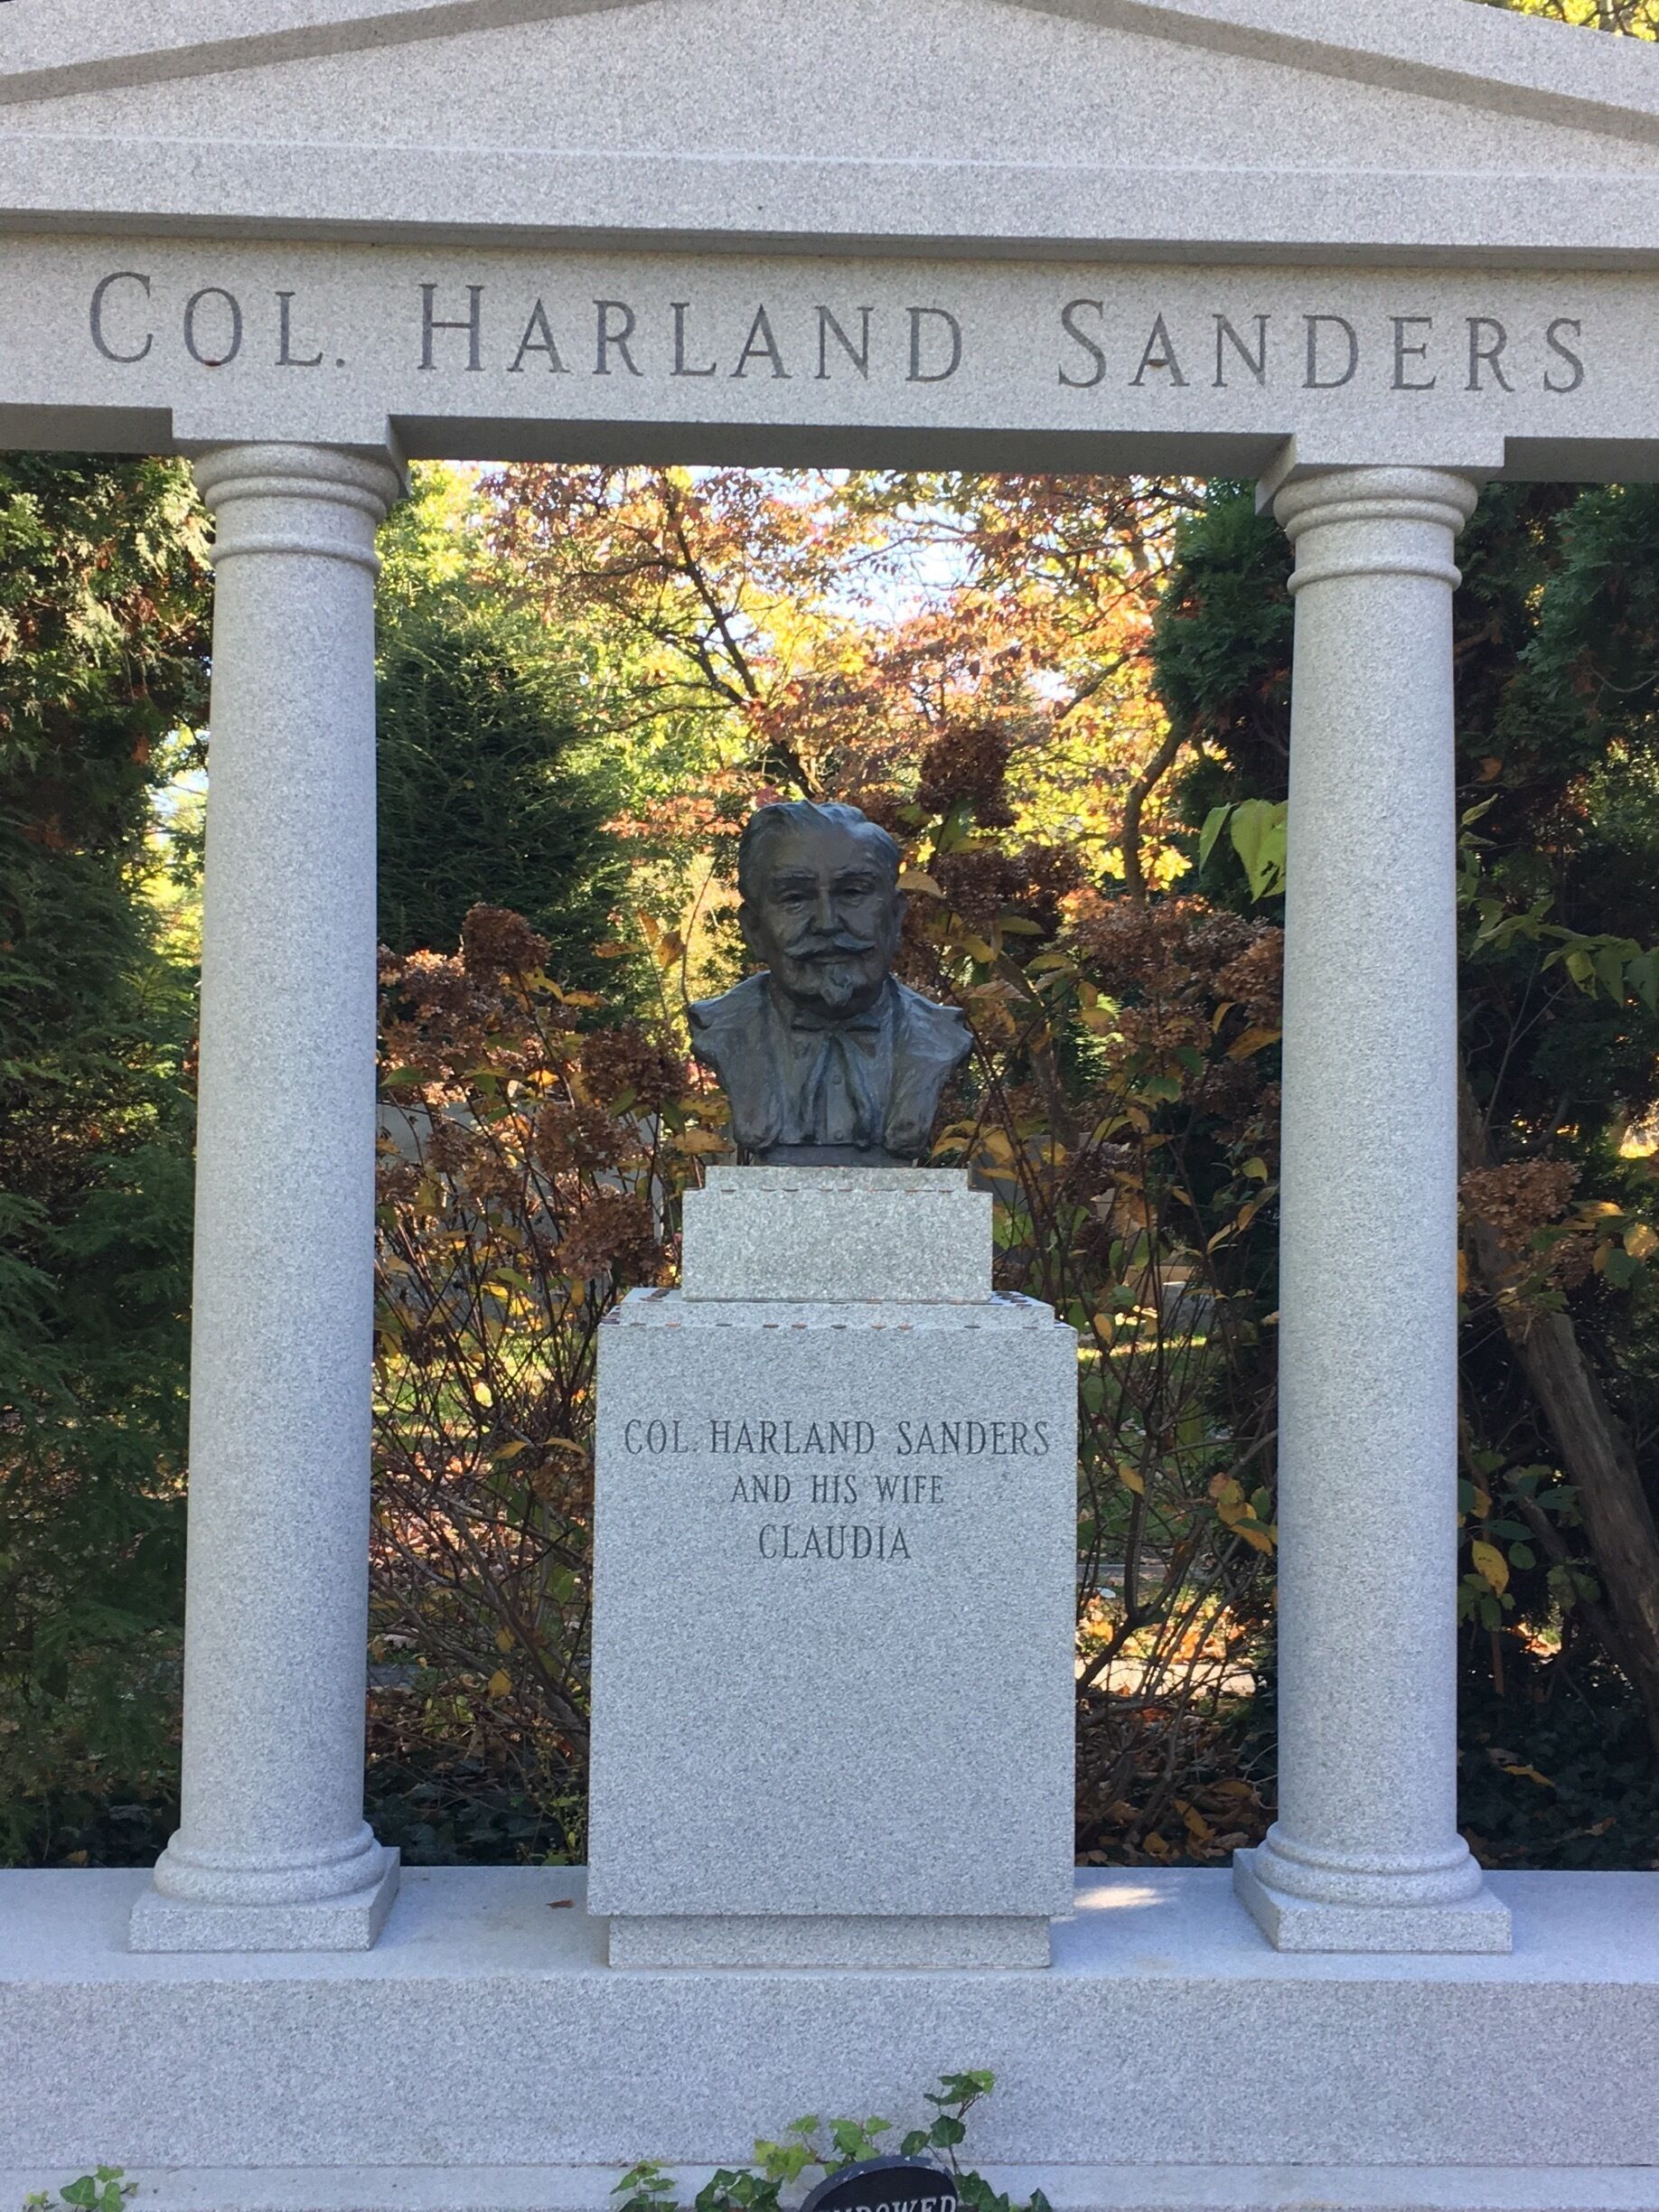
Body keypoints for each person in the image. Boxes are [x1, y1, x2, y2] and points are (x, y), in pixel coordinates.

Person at [689, 799, 971, 1165]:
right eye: (795, 898)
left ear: (895, 917)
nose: (827, 923)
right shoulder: (723, 1029)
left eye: (852, 893)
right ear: (754, 929)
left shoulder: (939, 1038)